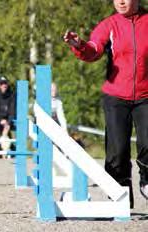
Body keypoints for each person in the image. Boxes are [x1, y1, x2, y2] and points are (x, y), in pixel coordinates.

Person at [63, 0, 148, 207]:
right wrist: (79, 45)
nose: (120, 1)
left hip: (146, 95)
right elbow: (94, 50)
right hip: (116, 96)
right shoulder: (109, 24)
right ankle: (120, 192)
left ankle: (146, 180)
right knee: (117, 151)